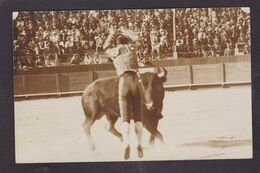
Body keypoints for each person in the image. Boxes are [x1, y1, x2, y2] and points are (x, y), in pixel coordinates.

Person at [103, 26, 144, 160]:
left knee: (125, 117)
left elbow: (105, 47)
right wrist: (125, 30)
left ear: (117, 42)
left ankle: (126, 143)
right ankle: (139, 143)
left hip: (123, 83)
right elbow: (139, 39)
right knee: (138, 116)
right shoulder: (131, 48)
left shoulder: (114, 51)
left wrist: (112, 33)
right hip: (135, 82)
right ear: (126, 41)